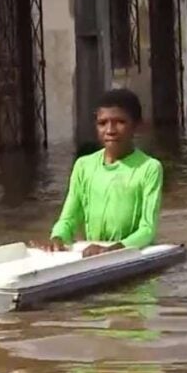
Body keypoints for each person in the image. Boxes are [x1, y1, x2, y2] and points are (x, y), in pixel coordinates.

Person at [32, 88, 164, 257]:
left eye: (120, 122)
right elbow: (69, 218)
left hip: (128, 255)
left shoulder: (149, 168)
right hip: (94, 256)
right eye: (103, 123)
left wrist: (113, 249)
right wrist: (58, 239)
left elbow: (147, 229)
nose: (110, 130)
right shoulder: (83, 166)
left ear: (136, 126)